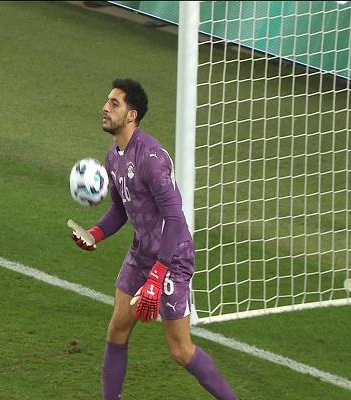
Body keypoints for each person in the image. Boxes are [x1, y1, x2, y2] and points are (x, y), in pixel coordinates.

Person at [70, 78, 239, 400]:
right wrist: (95, 233)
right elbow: (120, 210)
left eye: (114, 104)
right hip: (142, 253)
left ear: (131, 115)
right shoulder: (113, 157)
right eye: (107, 101)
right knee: (117, 330)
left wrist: (157, 277)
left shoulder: (150, 157)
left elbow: (174, 218)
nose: (105, 108)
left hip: (172, 257)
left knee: (179, 349)